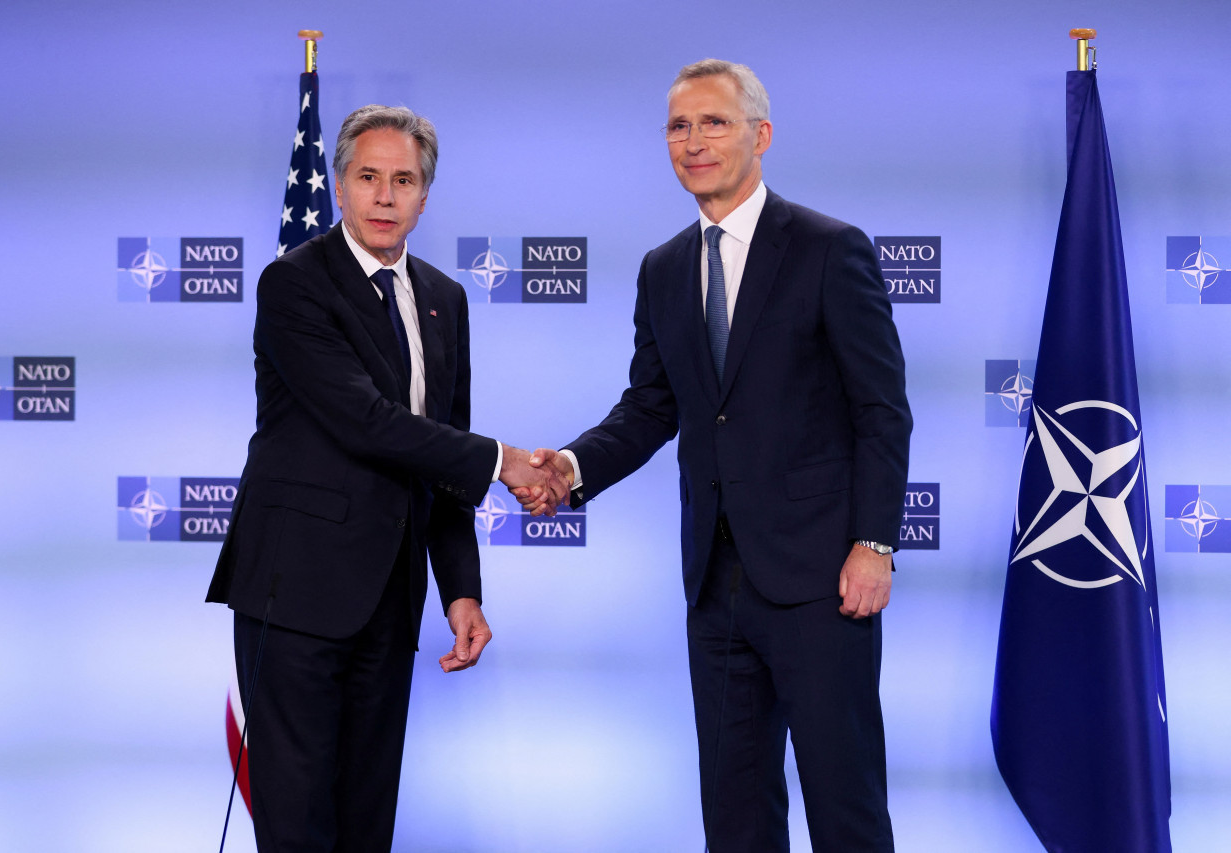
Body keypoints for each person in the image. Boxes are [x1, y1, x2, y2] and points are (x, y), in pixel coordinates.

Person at [518, 60, 911, 851]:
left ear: (760, 136)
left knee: (845, 805)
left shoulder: (832, 250)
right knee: (733, 813)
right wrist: (572, 465)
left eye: (714, 123)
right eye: (678, 125)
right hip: (715, 581)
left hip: (822, 577)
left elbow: (882, 409)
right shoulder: (663, 269)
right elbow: (652, 405)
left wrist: (874, 543)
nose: (693, 141)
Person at [206, 104, 566, 852]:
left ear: (424, 197)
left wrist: (461, 589)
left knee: (367, 826)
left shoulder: (445, 298)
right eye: (368, 177)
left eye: (403, 180)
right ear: (339, 186)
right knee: (299, 825)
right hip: (295, 594)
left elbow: (441, 452)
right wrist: (507, 463)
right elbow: (367, 422)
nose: (384, 196)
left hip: (389, 601)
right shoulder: (293, 285)